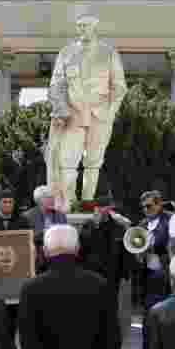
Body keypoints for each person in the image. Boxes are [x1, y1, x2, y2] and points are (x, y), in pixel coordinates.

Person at [46, 13, 128, 212]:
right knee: (67, 161)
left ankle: (88, 201)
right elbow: (56, 85)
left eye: (88, 25)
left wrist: (111, 111)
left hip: (100, 114)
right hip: (73, 113)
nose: (84, 28)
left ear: (95, 26)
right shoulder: (66, 53)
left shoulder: (108, 53)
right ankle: (68, 203)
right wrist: (62, 111)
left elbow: (119, 87)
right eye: (81, 25)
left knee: (94, 161)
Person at [133, 190, 175, 311]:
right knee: (149, 313)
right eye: (143, 207)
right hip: (147, 275)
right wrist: (140, 254)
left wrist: (153, 246)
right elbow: (137, 252)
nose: (145, 210)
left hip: (166, 274)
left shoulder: (172, 219)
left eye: (148, 206)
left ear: (158, 205)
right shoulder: (143, 224)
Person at [78, 194, 132, 297]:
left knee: (111, 300)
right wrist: (96, 225)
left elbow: (124, 248)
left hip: (112, 272)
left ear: (109, 208)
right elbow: (83, 245)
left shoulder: (118, 225)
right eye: (98, 207)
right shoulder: (88, 225)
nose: (100, 210)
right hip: (93, 271)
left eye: (103, 207)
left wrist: (124, 272)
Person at [23, 185, 68, 273]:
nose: (53, 200)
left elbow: (65, 235)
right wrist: (44, 233)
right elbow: (26, 238)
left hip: (57, 253)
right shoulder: (28, 216)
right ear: (39, 200)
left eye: (53, 197)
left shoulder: (60, 215)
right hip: (37, 255)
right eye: (49, 198)